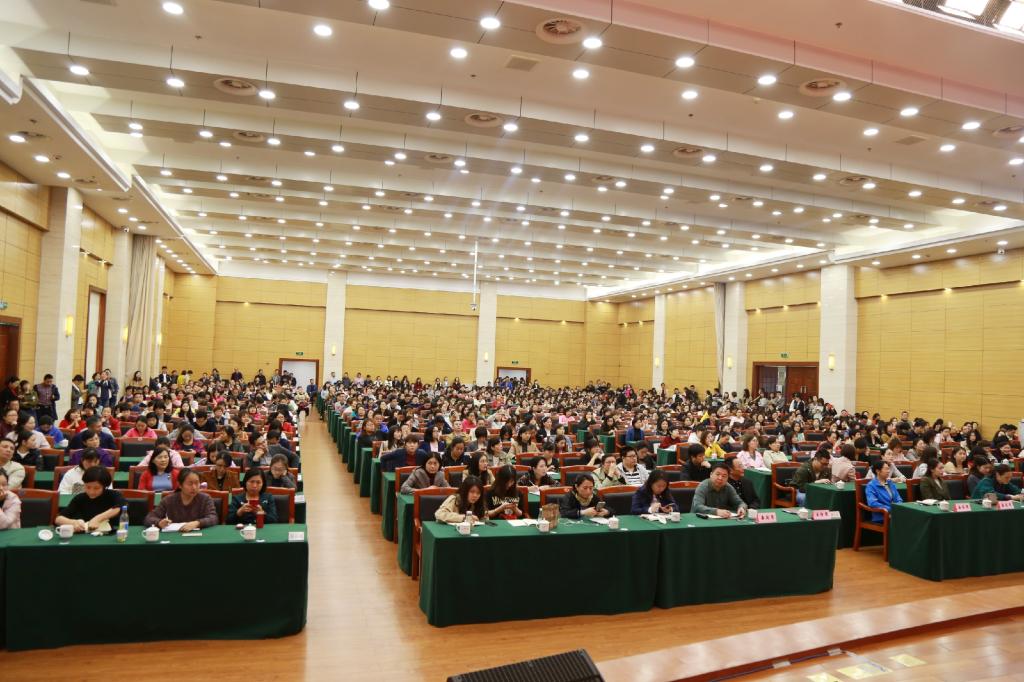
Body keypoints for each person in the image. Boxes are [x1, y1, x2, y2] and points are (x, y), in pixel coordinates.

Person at [143, 468, 219, 530]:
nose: (194, 487)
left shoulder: (205, 499)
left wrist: (197, 523)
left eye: (197, 483)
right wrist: (159, 522)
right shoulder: (169, 500)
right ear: (180, 485)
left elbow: (213, 518)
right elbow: (149, 518)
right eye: (190, 484)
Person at [55, 466, 125, 532]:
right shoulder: (80, 498)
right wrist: (73, 522)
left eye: (96, 488)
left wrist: (97, 519)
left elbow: (118, 508)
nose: (91, 492)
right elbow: (58, 519)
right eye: (88, 487)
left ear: (104, 486)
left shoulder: (113, 495)